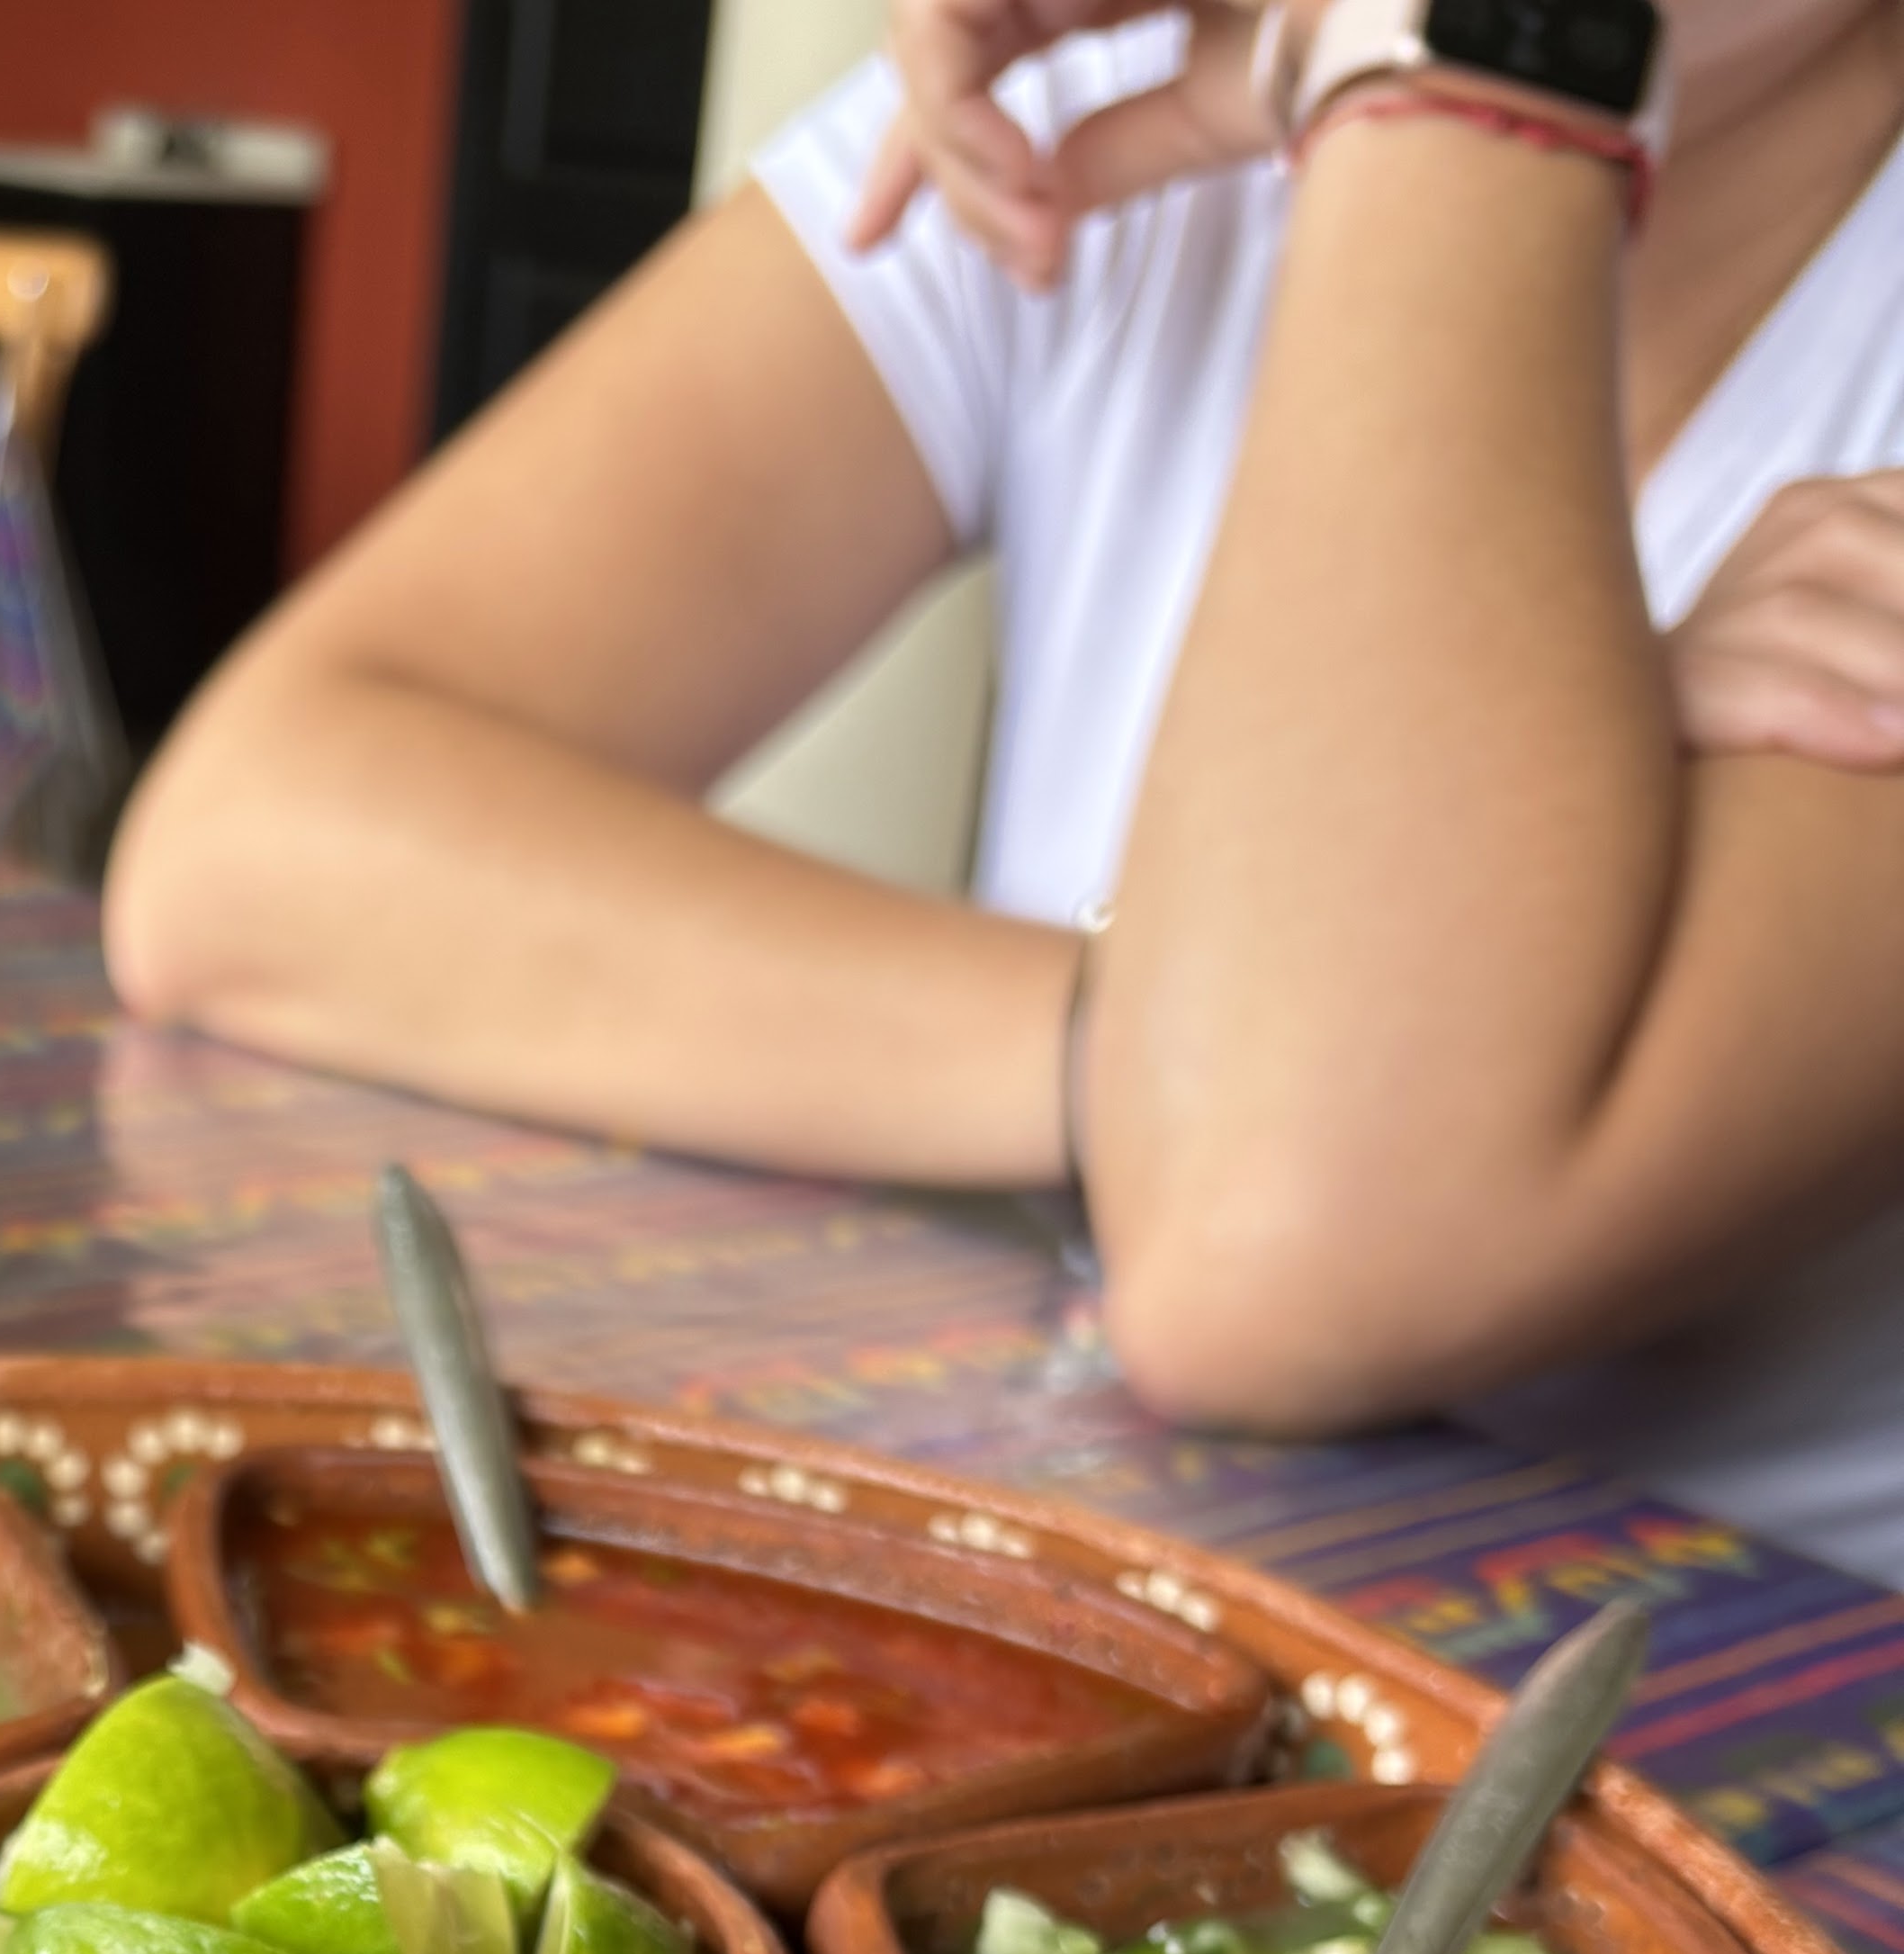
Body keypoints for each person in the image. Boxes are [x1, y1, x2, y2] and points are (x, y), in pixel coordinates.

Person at [105, 0, 1904, 1579]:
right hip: (1112, 1583)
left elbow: (1274, 1252)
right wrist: (1184, 1037)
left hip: (1760, 1821)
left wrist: (1486, 71)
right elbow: (244, 855)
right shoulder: (1140, 125)